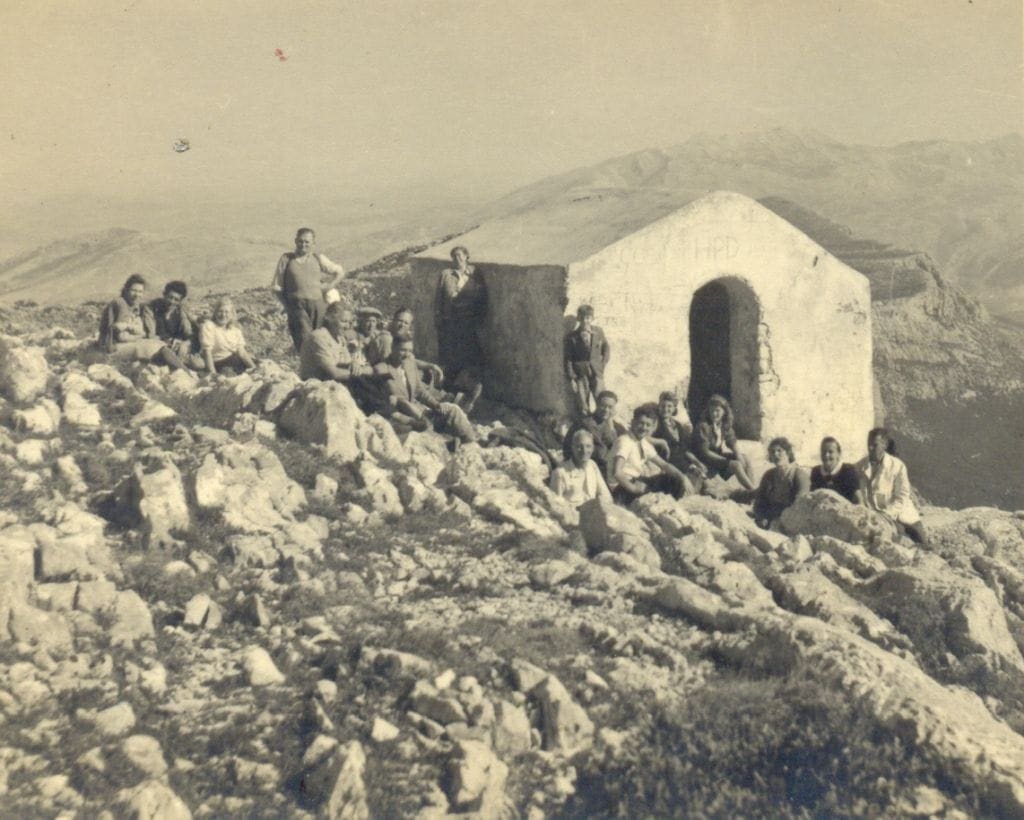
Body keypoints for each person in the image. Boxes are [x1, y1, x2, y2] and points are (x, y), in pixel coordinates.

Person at [376, 332, 477, 444]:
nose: (407, 354)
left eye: (410, 350)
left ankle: (471, 442)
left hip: (418, 412)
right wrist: (418, 416)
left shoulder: (409, 364)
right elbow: (393, 401)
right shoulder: (382, 369)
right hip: (401, 418)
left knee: (452, 409)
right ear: (393, 347)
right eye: (403, 350)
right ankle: (448, 442)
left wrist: (436, 405)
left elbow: (420, 391)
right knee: (427, 431)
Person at [271, 228, 346, 351]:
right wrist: (287, 307)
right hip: (297, 307)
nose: (303, 245)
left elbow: (339, 272)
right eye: (300, 241)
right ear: (295, 241)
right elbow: (277, 287)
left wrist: (329, 286)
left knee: (320, 340)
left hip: (318, 306)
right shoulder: (287, 259)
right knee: (304, 342)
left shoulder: (318, 258)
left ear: (313, 243)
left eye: (307, 242)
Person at [97, 274, 191, 370]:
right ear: (126, 289)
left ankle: (183, 369)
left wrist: (138, 333)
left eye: (140, 291)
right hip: (111, 348)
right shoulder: (120, 304)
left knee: (159, 348)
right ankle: (185, 371)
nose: (136, 294)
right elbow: (121, 337)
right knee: (156, 348)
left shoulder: (134, 305)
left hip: (125, 344)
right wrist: (139, 335)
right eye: (133, 290)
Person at [608, 403, 691, 504]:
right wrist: (634, 489)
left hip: (636, 480)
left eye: (648, 425)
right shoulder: (625, 441)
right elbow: (617, 472)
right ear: (633, 422)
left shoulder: (642, 442)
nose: (644, 428)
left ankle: (668, 505)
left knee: (673, 479)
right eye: (641, 423)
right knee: (658, 487)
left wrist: (683, 477)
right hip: (622, 487)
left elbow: (664, 465)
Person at [857, 428, 928, 545]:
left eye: (874, 445)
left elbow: (902, 496)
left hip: (900, 513)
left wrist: (888, 514)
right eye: (868, 444)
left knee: (922, 541)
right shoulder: (860, 467)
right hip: (876, 517)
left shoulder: (897, 466)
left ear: (884, 445)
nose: (870, 448)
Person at [435, 245, 487, 402]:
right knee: (452, 357)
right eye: (454, 256)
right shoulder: (446, 274)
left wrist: (479, 319)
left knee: (471, 356)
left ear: (466, 256)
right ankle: (449, 393)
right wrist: (439, 319)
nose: (456, 259)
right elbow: (439, 299)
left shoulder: (475, 275)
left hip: (468, 323)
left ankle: (467, 393)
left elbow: (482, 298)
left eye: (459, 255)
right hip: (451, 322)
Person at [691, 395, 756, 490]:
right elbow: (705, 452)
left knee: (745, 458)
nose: (714, 414)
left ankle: (753, 488)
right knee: (736, 465)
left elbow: (731, 441)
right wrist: (727, 461)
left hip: (717, 458)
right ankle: (753, 491)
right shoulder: (703, 426)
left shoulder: (723, 425)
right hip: (706, 461)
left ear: (724, 412)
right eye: (711, 410)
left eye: (717, 411)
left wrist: (738, 455)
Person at [562, 390, 627, 475]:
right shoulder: (583, 423)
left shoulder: (618, 428)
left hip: (609, 470)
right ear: (597, 405)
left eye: (610, 407)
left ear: (614, 409)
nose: (606, 410)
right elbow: (567, 448)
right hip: (586, 468)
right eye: (603, 406)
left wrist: (611, 428)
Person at [753, 437, 811, 529]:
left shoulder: (799, 475)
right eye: (772, 452)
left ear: (788, 453)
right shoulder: (769, 475)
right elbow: (760, 500)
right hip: (769, 518)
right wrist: (761, 517)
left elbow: (801, 503)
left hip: (790, 520)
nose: (775, 454)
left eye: (779, 451)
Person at [563, 305, 610, 418]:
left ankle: (603, 421)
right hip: (580, 373)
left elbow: (606, 347)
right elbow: (568, 358)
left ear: (592, 318)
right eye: (582, 318)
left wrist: (603, 364)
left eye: (588, 318)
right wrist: (571, 377)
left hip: (597, 371)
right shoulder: (571, 337)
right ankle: (586, 421)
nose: (585, 321)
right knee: (583, 401)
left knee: (601, 398)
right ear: (578, 318)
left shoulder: (598, 331)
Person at [652, 391, 706, 482]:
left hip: (682, 461)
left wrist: (697, 461)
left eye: (669, 406)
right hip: (667, 461)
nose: (665, 409)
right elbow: (644, 438)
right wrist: (661, 442)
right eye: (663, 406)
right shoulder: (655, 423)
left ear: (674, 408)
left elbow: (684, 449)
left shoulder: (678, 425)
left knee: (701, 474)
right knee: (695, 476)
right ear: (659, 407)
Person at [550, 429, 613, 506]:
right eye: (579, 447)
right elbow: (555, 505)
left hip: (592, 511)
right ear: (572, 448)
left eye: (588, 446)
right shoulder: (560, 473)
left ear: (593, 448)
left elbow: (606, 496)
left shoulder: (592, 465)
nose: (584, 451)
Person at [198, 298, 255, 375]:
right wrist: (213, 374)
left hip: (236, 361)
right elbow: (207, 352)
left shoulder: (235, 330)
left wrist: (254, 368)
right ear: (215, 313)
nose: (223, 315)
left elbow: (242, 352)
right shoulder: (209, 326)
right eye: (220, 311)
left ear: (231, 314)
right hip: (220, 364)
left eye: (227, 312)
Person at [150, 280, 198, 360]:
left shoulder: (180, 312)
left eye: (176, 299)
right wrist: (169, 341)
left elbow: (188, 332)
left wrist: (186, 343)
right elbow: (151, 335)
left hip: (176, 348)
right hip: (158, 348)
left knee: (198, 364)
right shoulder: (154, 309)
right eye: (170, 297)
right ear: (164, 295)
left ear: (180, 301)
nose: (172, 302)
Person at [810, 437, 865, 504]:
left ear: (838, 454)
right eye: (824, 452)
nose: (826, 455)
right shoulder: (816, 472)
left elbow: (859, 501)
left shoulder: (848, 471)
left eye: (830, 452)